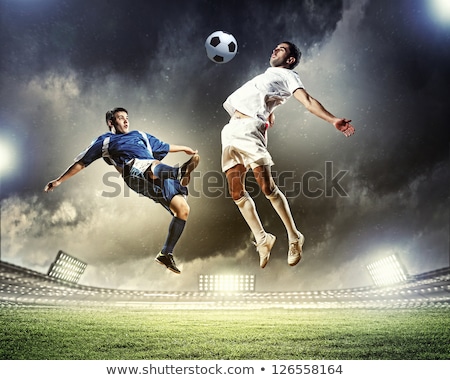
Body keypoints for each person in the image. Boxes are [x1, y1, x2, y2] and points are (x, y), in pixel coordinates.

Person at [221, 41, 355, 269]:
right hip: (230, 130)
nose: (274, 49)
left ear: (290, 60)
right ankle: (263, 239)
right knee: (235, 192)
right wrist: (271, 111)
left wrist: (333, 120)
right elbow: (263, 98)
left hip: (250, 130)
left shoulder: (288, 76)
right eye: (275, 47)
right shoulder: (265, 77)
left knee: (266, 187)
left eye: (281, 49)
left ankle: (294, 237)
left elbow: (308, 101)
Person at [44, 107, 199, 274]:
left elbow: (165, 146)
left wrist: (184, 148)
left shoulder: (140, 135)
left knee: (183, 209)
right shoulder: (105, 141)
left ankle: (165, 253)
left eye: (127, 117)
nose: (125, 120)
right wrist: (59, 180)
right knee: (150, 165)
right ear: (111, 122)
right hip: (133, 171)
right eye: (120, 118)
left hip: (156, 174)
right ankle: (178, 173)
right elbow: (82, 162)